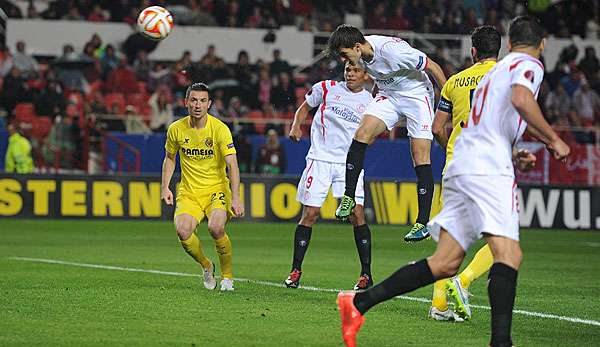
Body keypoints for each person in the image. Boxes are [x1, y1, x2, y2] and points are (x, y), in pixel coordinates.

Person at [336, 16, 571, 347]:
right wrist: (552, 139)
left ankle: (358, 304)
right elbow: (521, 101)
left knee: (444, 262)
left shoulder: (480, 77)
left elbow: (478, 120)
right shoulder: (524, 65)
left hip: (461, 163)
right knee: (508, 254)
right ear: (541, 44)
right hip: (489, 168)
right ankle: (500, 342)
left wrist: (513, 151)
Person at [326, 24, 447, 242]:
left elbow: (433, 67)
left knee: (420, 156)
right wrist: (375, 105)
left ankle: (421, 222)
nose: (344, 61)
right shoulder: (359, 55)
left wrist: (449, 100)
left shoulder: (393, 51)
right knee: (362, 133)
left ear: (356, 46)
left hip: (417, 95)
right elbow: (380, 77)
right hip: (389, 95)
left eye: (345, 54)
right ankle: (349, 196)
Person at [429, 25, 500, 322]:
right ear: (500, 50)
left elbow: (436, 128)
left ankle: (439, 306)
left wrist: (450, 150)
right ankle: (465, 279)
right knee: (503, 238)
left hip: (454, 166)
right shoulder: (505, 75)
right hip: (487, 166)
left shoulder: (454, 82)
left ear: (473, 52)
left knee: (448, 240)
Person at [284, 62, 374, 290]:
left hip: (349, 165)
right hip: (321, 159)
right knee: (311, 213)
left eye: (355, 71)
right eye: (348, 70)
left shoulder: (371, 102)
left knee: (356, 213)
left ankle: (366, 274)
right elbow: (305, 107)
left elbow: (374, 132)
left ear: (365, 75)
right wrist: (296, 125)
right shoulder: (326, 88)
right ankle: (295, 270)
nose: (350, 74)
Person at [161, 82, 244, 291]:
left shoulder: (219, 129)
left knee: (216, 228)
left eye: (203, 101)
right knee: (182, 231)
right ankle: (207, 266)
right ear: (186, 102)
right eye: (194, 100)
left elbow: (232, 164)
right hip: (189, 192)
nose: (198, 105)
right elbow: (170, 158)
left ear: (209, 104)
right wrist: (165, 187)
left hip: (216, 190)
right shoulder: (176, 129)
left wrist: (236, 197)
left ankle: (227, 277)